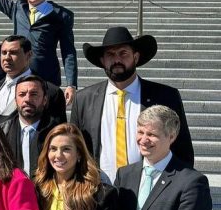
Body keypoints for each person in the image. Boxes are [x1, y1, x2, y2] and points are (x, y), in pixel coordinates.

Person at [70, 27, 194, 182]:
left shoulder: (165, 96)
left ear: (135, 57)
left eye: (123, 53)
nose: (117, 60)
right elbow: (75, 147)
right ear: (102, 61)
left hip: (150, 189)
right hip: (99, 190)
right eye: (110, 54)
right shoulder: (84, 100)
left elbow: (182, 149)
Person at [0, 35, 67, 124]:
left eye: (13, 52)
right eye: (4, 53)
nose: (7, 58)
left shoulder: (50, 92)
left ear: (28, 55)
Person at [1, 75, 64, 176]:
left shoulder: (58, 132)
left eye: (34, 94)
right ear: (15, 100)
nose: (27, 99)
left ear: (45, 100)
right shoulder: (3, 131)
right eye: (22, 94)